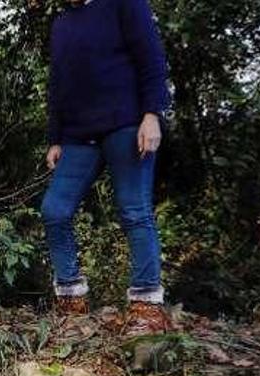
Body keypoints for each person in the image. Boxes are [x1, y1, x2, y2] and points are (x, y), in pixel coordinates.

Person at [42, 0, 172, 335]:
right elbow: (58, 83)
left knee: (134, 210)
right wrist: (55, 138)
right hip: (77, 136)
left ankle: (147, 306)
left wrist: (152, 115)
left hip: (126, 125)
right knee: (54, 211)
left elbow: (152, 58)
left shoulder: (123, 4)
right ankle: (71, 301)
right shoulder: (61, 24)